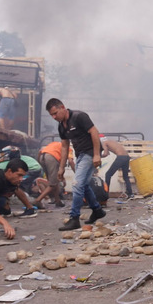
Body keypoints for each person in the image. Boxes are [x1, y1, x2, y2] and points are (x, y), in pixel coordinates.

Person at [46, 98, 106, 231]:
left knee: (77, 184)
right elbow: (64, 146)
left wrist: (96, 154)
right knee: (83, 185)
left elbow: (94, 132)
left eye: (55, 113)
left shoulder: (79, 116)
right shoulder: (62, 126)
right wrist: (61, 168)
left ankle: (74, 218)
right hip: (80, 155)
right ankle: (97, 210)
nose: (54, 117)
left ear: (62, 107)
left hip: (90, 153)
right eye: (52, 115)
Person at [33, 141, 67, 207]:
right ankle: (37, 200)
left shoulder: (54, 144)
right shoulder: (67, 148)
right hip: (51, 158)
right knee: (53, 184)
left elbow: (41, 151)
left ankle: (58, 201)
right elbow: (70, 161)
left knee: (54, 181)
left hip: (42, 157)